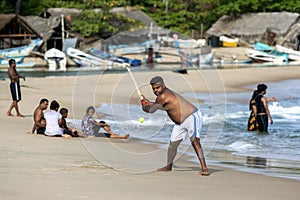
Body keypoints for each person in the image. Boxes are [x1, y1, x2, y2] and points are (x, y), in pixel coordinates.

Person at [140, 76, 209, 176]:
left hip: (192, 117)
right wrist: (147, 102)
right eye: (153, 89)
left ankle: (204, 168)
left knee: (195, 141)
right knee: (173, 145)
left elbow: (151, 110)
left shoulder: (163, 97)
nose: (155, 90)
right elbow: (160, 105)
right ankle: (169, 166)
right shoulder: (163, 96)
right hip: (180, 123)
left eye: (157, 87)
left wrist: (144, 105)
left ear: (163, 85)